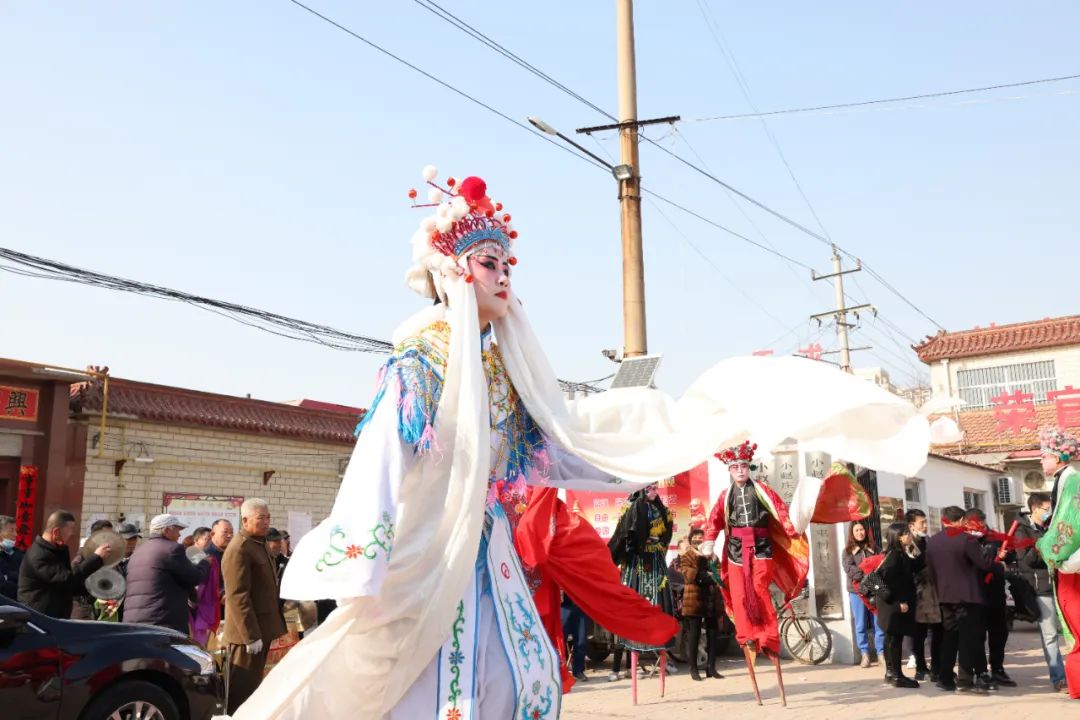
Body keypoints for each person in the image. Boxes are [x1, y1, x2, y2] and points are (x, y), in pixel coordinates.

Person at [226, 167, 938, 720]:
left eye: (507, 264)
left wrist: (676, 435)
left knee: (516, 671)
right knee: (414, 683)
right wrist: (363, 565)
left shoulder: (504, 369)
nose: (503, 277)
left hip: (486, 549)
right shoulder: (420, 362)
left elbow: (556, 448)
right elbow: (381, 463)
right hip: (425, 552)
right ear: (452, 272)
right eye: (487, 263)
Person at [222, 498, 287, 714]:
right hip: (246, 635)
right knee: (242, 691)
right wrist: (250, 635)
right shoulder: (240, 548)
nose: (267, 522)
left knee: (254, 689)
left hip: (262, 629)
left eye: (268, 517)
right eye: (261, 518)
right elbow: (238, 595)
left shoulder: (258, 544)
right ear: (245, 519)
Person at [926, 505, 994, 694]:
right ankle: (964, 681)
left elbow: (930, 571)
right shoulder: (967, 540)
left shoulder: (932, 542)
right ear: (962, 520)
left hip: (945, 596)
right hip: (968, 597)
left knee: (949, 636)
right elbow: (984, 564)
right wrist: (993, 554)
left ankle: (945, 677)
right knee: (967, 638)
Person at [608, 484, 676, 671]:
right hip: (637, 562)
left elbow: (667, 534)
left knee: (658, 602)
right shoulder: (630, 508)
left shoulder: (663, 511)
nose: (653, 492)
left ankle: (660, 645)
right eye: (649, 489)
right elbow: (623, 535)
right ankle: (622, 665)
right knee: (631, 606)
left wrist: (659, 545)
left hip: (655, 561)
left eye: (655, 488)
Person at [1035, 427, 1080, 698]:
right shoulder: (1065, 480)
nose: (1041, 461)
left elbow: (1071, 526)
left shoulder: (1073, 481)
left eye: (1044, 456)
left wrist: (1049, 549)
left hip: (1071, 566)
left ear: (1059, 457)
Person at [123, 514, 209, 634]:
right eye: (177, 531)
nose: (179, 535)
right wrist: (204, 563)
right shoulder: (172, 549)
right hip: (161, 622)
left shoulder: (137, 552)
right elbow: (194, 577)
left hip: (132, 622)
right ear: (166, 530)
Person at [1015, 491, 1067, 691]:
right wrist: (1045, 543)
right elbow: (1027, 560)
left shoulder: (1050, 526)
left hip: (1060, 583)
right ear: (1035, 509)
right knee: (1050, 635)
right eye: (1047, 509)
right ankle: (1058, 678)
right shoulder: (1021, 530)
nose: (1050, 513)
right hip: (1040, 588)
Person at [17, 510, 111, 618]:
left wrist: (96, 588)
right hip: (39, 619)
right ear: (56, 532)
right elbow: (66, 579)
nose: (72, 533)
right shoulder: (38, 555)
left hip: (56, 618)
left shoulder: (57, 551)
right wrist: (96, 558)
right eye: (70, 529)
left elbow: (69, 586)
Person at [964, 507, 1016, 688]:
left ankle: (998, 669)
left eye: (982, 521)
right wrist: (995, 564)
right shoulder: (965, 540)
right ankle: (981, 671)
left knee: (999, 632)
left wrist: (1006, 556)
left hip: (995, 592)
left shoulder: (994, 538)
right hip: (975, 593)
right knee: (978, 635)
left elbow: (1011, 558)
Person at [876, 522, 919, 688]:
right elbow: (892, 581)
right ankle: (897, 675)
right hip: (893, 604)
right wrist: (900, 601)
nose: (910, 536)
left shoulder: (897, 553)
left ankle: (890, 673)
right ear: (899, 536)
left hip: (890, 603)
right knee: (895, 639)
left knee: (891, 638)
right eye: (907, 533)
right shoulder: (895, 556)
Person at [679, 527, 723, 681]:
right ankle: (693, 669)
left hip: (711, 599)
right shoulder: (687, 556)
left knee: (713, 634)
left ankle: (711, 668)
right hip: (694, 600)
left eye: (701, 537)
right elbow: (689, 574)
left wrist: (709, 576)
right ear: (691, 540)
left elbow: (720, 574)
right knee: (694, 635)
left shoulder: (713, 557)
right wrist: (706, 575)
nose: (699, 540)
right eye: (696, 537)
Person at [905, 508, 941, 682]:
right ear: (912, 525)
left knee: (936, 631)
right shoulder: (909, 543)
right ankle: (920, 667)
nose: (925, 526)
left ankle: (936, 667)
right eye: (922, 523)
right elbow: (916, 565)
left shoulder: (929, 541)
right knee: (918, 633)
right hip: (917, 594)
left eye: (926, 522)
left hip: (933, 593)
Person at [842, 520, 885, 667]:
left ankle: (881, 653)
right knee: (860, 624)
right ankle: (864, 654)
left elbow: (882, 566)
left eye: (862, 530)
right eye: (857, 531)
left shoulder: (875, 548)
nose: (860, 533)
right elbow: (850, 570)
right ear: (852, 533)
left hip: (875, 591)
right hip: (857, 592)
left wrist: (870, 573)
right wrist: (867, 571)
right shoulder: (848, 551)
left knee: (878, 622)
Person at [1, 515, 24, 599]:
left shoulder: (21, 554)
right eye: (11, 530)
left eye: (16, 530)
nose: (15, 534)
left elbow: (25, 581)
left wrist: (7, 576)